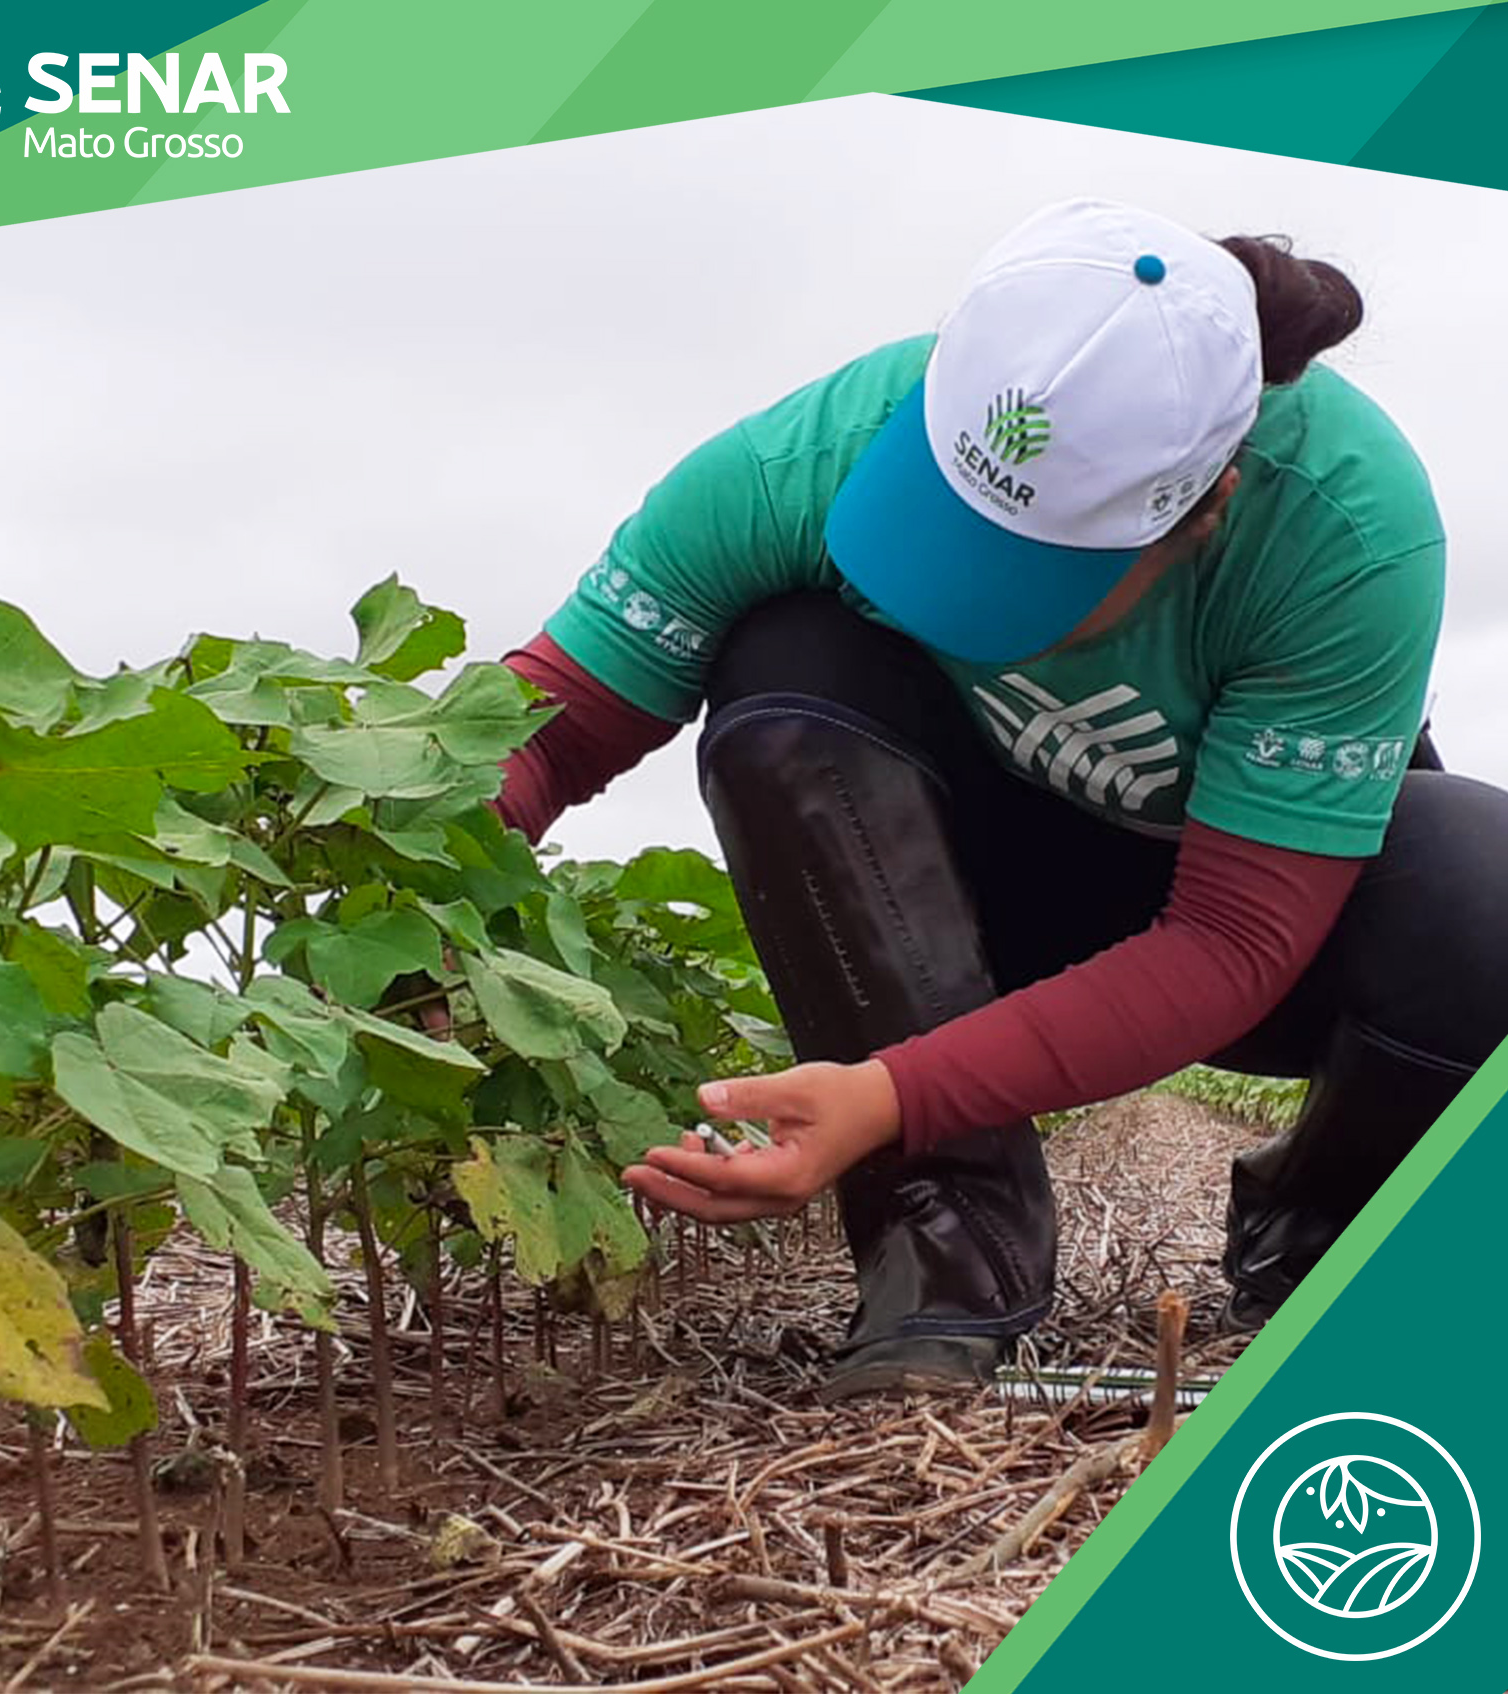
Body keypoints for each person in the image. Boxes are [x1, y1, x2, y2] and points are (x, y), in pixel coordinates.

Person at [490, 198, 1508, 1400]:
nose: (961, 593)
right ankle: (943, 1250)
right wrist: (427, 897)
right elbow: (549, 727)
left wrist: (885, 1093)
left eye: (1033, 566)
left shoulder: (1342, 528)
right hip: (967, 902)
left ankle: (1320, 1230)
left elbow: (1230, 939)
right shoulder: (805, 454)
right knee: (784, 668)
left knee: (1479, 882)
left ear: (1203, 511)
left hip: (1249, 932)